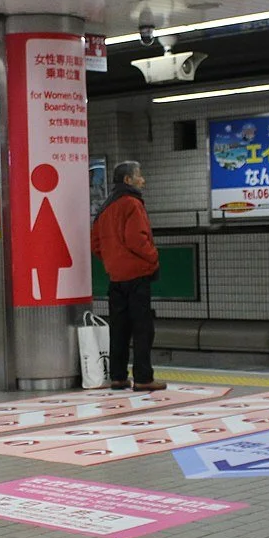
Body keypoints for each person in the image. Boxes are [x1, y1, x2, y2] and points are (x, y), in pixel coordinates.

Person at [90, 161, 166, 392]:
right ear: (128, 180)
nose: (142, 180)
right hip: (137, 276)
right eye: (139, 175)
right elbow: (137, 239)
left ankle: (118, 377)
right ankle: (143, 378)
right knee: (143, 329)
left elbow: (95, 243)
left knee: (119, 328)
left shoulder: (105, 207)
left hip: (116, 278)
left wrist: (113, 260)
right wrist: (153, 258)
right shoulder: (132, 204)